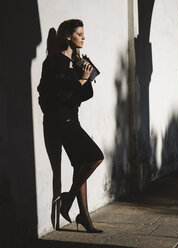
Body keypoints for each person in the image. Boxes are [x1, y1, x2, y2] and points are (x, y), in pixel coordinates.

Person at [37, 19, 104, 233]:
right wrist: (81, 80)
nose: (84, 37)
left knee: (81, 164)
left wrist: (86, 74)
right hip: (60, 119)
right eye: (80, 33)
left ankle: (84, 216)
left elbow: (83, 95)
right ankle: (67, 201)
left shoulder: (74, 61)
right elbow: (60, 95)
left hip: (71, 117)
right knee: (95, 156)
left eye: (84, 34)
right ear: (68, 36)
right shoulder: (55, 61)